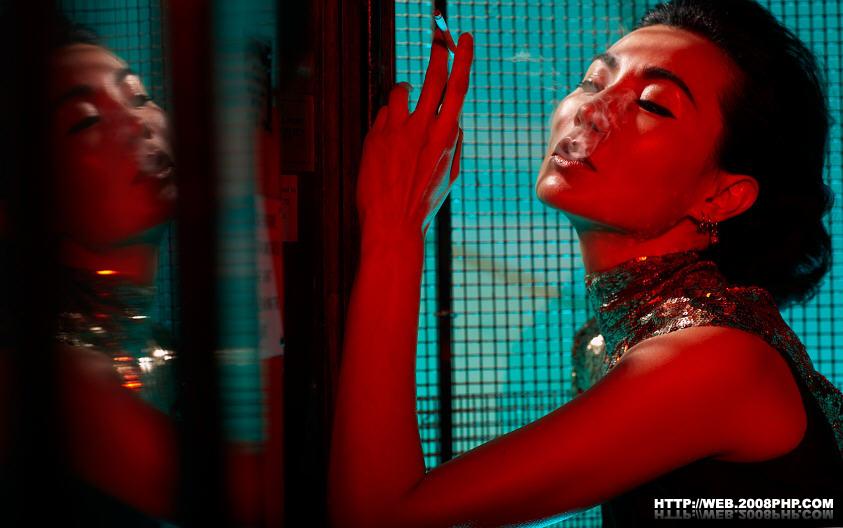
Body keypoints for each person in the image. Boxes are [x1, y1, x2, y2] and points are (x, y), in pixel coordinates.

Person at [328, 0, 843, 526]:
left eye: (653, 105)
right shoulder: (607, 341)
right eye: (593, 81)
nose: (592, 110)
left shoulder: (718, 361)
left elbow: (379, 517)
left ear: (722, 196)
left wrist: (395, 226)